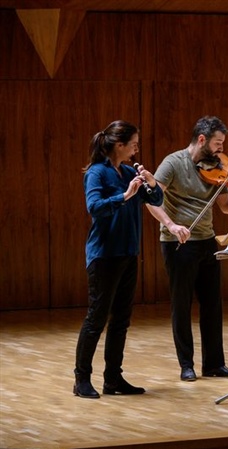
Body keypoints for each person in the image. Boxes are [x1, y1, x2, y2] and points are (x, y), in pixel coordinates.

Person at [146, 116, 228, 381]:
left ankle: (214, 364)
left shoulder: (216, 169)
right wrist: (171, 224)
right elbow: (151, 199)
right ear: (202, 140)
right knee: (181, 305)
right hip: (178, 243)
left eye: (222, 144)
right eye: (217, 143)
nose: (221, 150)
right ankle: (186, 365)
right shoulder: (173, 163)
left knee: (213, 305)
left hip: (206, 241)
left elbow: (226, 206)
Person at [74, 120, 164, 399]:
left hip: (128, 252)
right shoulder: (96, 173)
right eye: (134, 142)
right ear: (119, 144)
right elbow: (95, 208)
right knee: (96, 318)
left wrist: (150, 183)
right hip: (104, 254)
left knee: (121, 320)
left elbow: (157, 200)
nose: (137, 147)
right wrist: (124, 196)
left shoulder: (127, 171)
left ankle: (113, 378)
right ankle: (81, 380)